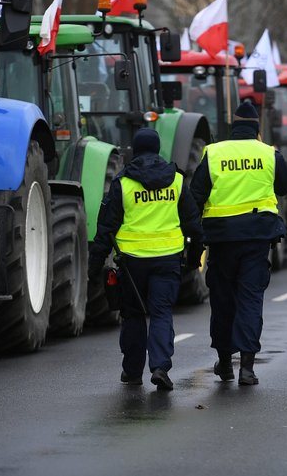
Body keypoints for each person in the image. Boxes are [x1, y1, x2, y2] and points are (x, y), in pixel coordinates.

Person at [88, 128, 203, 391]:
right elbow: (193, 224)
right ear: (158, 149)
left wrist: (94, 267)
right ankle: (160, 366)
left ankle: (132, 372)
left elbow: (105, 228)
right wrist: (194, 257)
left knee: (133, 315)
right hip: (167, 261)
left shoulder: (123, 183)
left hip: (131, 264)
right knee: (161, 313)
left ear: (135, 150)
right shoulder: (175, 180)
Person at [190, 101, 287, 386]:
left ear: (233, 127)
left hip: (222, 240)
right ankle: (247, 367)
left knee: (223, 300)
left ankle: (225, 363)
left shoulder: (214, 153)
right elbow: (284, 186)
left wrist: (193, 238)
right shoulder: (270, 153)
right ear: (257, 129)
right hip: (257, 237)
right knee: (250, 300)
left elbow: (196, 195)